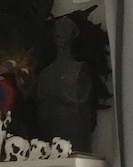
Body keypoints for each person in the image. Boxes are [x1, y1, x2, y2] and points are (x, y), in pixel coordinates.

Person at [35, 17, 94, 152]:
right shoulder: (45, 73)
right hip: (47, 146)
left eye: (65, 29)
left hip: (74, 144)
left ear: (73, 34)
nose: (60, 33)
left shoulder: (79, 69)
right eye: (57, 29)